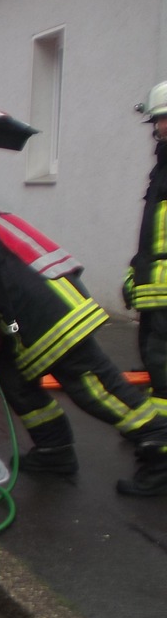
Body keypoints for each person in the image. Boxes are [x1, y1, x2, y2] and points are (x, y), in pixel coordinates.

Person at [0, 177, 167, 497]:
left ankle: (159, 445)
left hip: (49, 319)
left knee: (93, 387)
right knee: (15, 380)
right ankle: (54, 451)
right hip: (35, 318)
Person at [124, 80, 167, 409]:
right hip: (154, 286)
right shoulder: (161, 168)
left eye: (162, 119)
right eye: (157, 120)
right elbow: (154, 232)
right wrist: (137, 271)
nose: (159, 127)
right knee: (156, 357)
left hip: (162, 287)